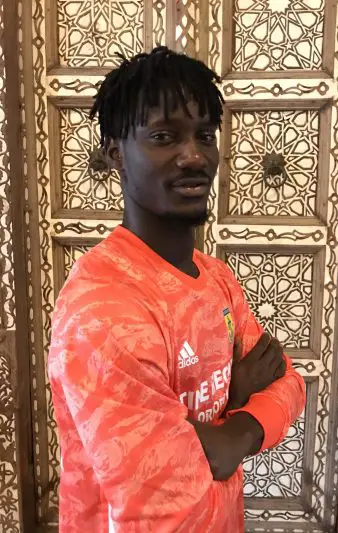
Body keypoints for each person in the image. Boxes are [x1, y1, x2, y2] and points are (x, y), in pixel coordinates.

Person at [48, 46, 305, 533]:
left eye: (205, 135)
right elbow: (167, 499)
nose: (194, 156)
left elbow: (289, 383)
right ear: (115, 154)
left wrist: (231, 432)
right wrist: (236, 401)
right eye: (164, 136)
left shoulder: (216, 278)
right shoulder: (101, 310)